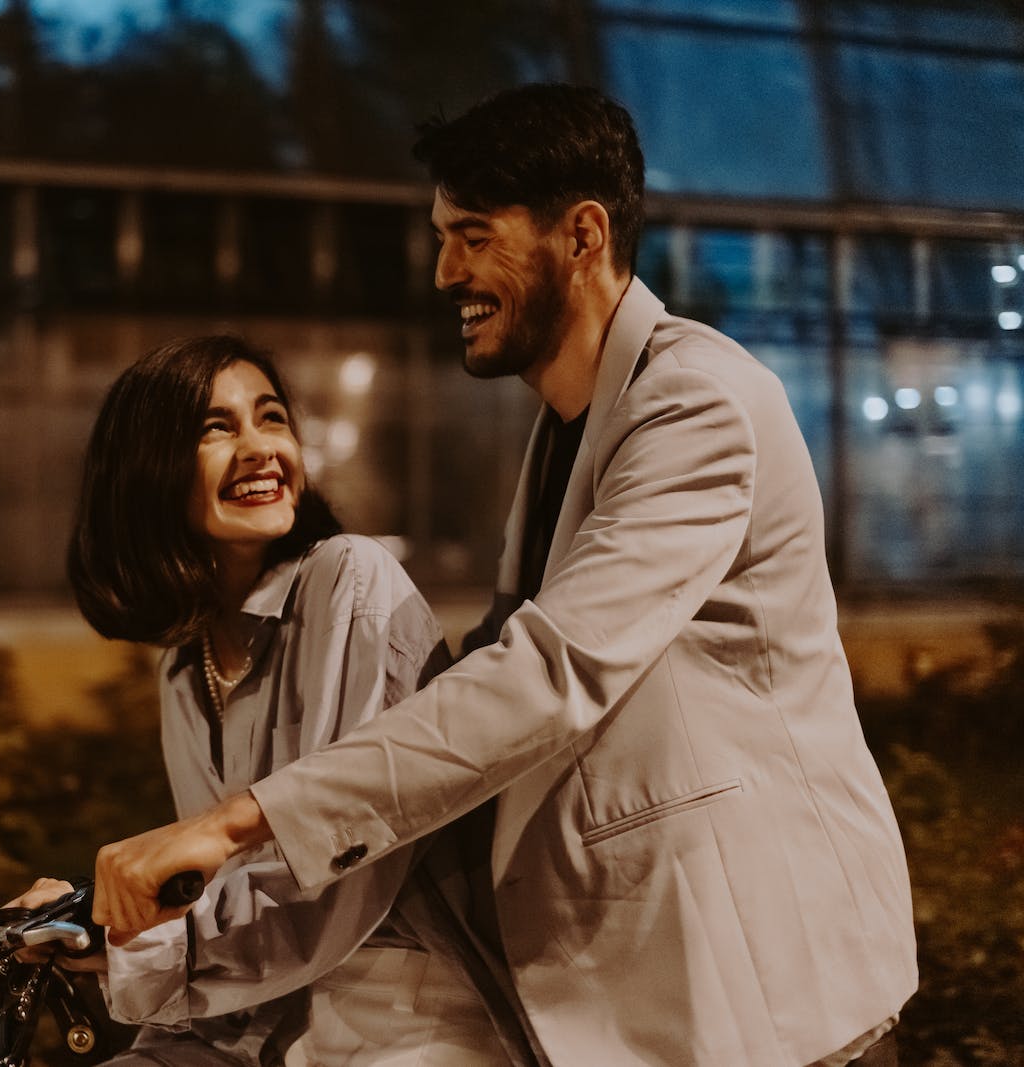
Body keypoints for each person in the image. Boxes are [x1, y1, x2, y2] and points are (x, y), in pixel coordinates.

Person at [91, 84, 918, 1067]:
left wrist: (239, 821)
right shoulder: (567, 429)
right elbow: (491, 672)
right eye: (443, 237)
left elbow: (548, 671)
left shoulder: (696, 402)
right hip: (653, 979)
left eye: (474, 235)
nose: (445, 272)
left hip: (770, 976)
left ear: (581, 234)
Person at [9, 335, 536, 1065]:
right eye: (216, 428)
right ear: (148, 472)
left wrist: (124, 947)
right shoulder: (181, 668)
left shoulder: (348, 579)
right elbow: (220, 883)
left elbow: (332, 881)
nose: (259, 448)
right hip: (261, 1014)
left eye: (272, 418)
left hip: (405, 1012)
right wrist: (87, 911)